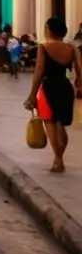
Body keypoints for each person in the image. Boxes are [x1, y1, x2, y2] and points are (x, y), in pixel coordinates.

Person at [24, 17, 82, 173]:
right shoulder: (72, 48)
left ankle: (58, 159)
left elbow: (39, 73)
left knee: (50, 124)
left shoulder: (43, 48)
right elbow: (80, 70)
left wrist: (31, 95)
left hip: (48, 87)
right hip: (65, 87)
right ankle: (60, 157)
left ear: (48, 29)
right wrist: (78, 84)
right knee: (61, 125)